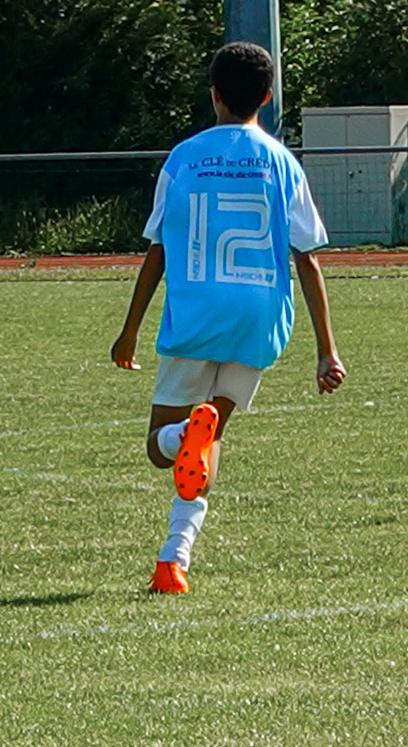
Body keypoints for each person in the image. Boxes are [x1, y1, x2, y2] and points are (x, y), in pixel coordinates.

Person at [110, 41, 346, 595]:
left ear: (213, 94)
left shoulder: (185, 157)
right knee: (209, 439)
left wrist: (130, 328)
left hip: (197, 315)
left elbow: (158, 250)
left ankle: (178, 438)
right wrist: (326, 351)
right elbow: (306, 259)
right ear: (267, 97)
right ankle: (174, 560)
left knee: (158, 447)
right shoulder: (282, 162)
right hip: (259, 320)